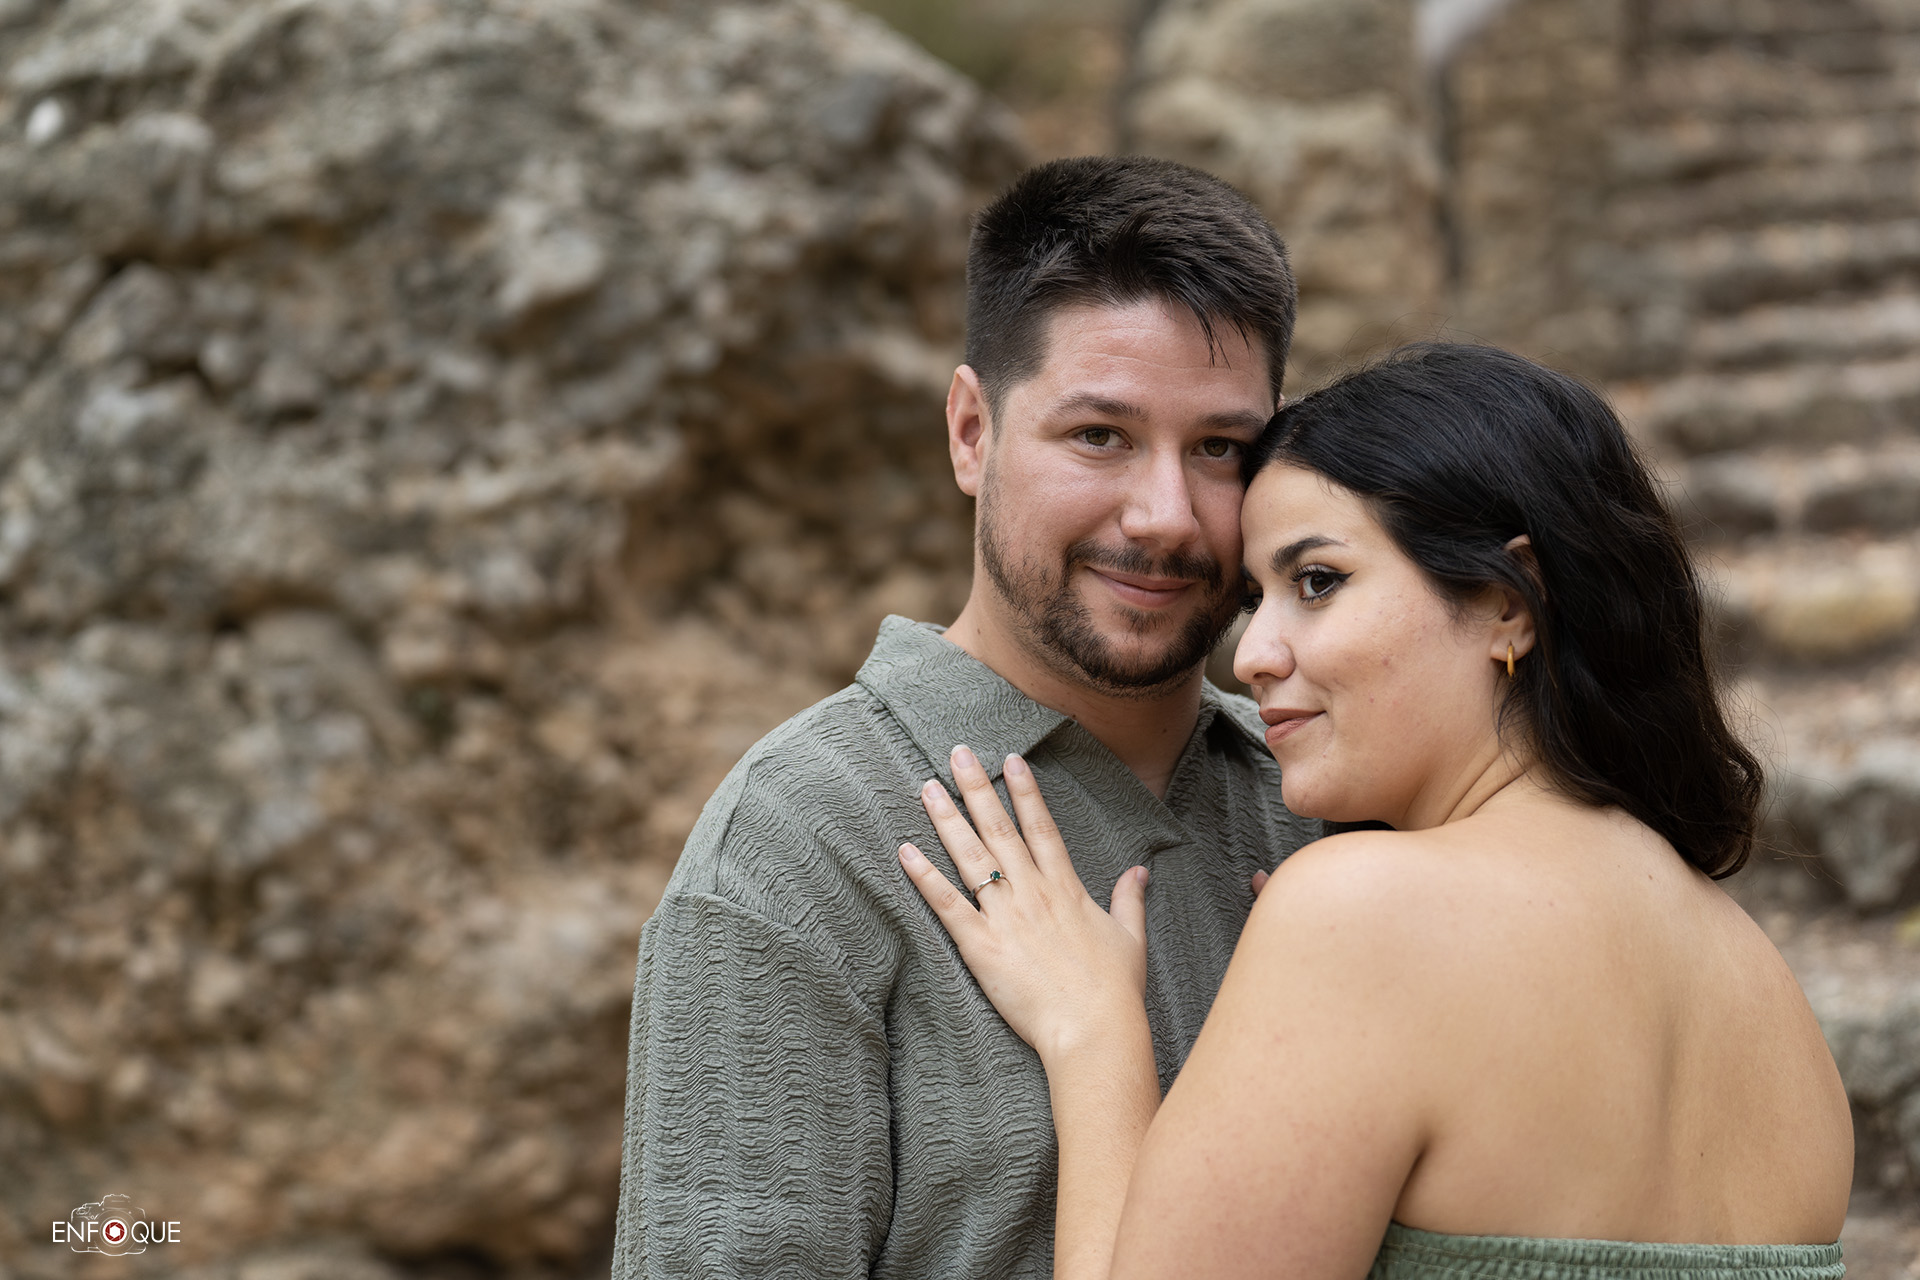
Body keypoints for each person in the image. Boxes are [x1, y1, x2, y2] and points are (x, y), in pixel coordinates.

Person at [900, 343, 1855, 1280]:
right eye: (1256, 600)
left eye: (1318, 582)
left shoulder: (1360, 914)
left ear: (1508, 602)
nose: (1253, 656)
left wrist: (1096, 1039)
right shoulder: (1763, 989)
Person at [612, 155, 1322, 1279]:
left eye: (1220, 449)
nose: (1166, 516)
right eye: (1100, 435)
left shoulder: (1327, 800)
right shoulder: (800, 844)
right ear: (970, 432)